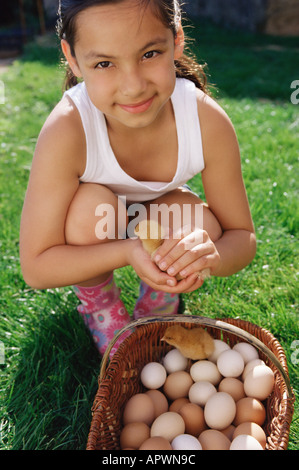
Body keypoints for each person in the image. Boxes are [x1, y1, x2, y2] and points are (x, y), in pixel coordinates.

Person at [19, 0, 256, 356]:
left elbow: (243, 236)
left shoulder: (206, 120)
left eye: (149, 54)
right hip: (94, 225)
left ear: (176, 40)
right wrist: (128, 250)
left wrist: (212, 256)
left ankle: (159, 302)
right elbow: (36, 267)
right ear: (72, 58)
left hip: (159, 220)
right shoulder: (69, 127)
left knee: (197, 220)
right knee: (90, 210)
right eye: (104, 63)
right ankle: (101, 308)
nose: (133, 86)